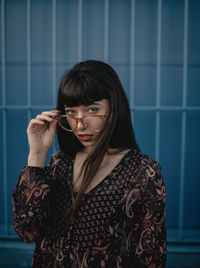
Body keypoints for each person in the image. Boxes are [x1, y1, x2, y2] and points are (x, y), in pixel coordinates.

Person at [12, 60, 166, 268]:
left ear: (113, 107)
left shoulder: (142, 172)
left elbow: (151, 258)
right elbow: (26, 231)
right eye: (71, 111)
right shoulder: (60, 163)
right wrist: (37, 154)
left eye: (92, 110)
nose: (80, 123)